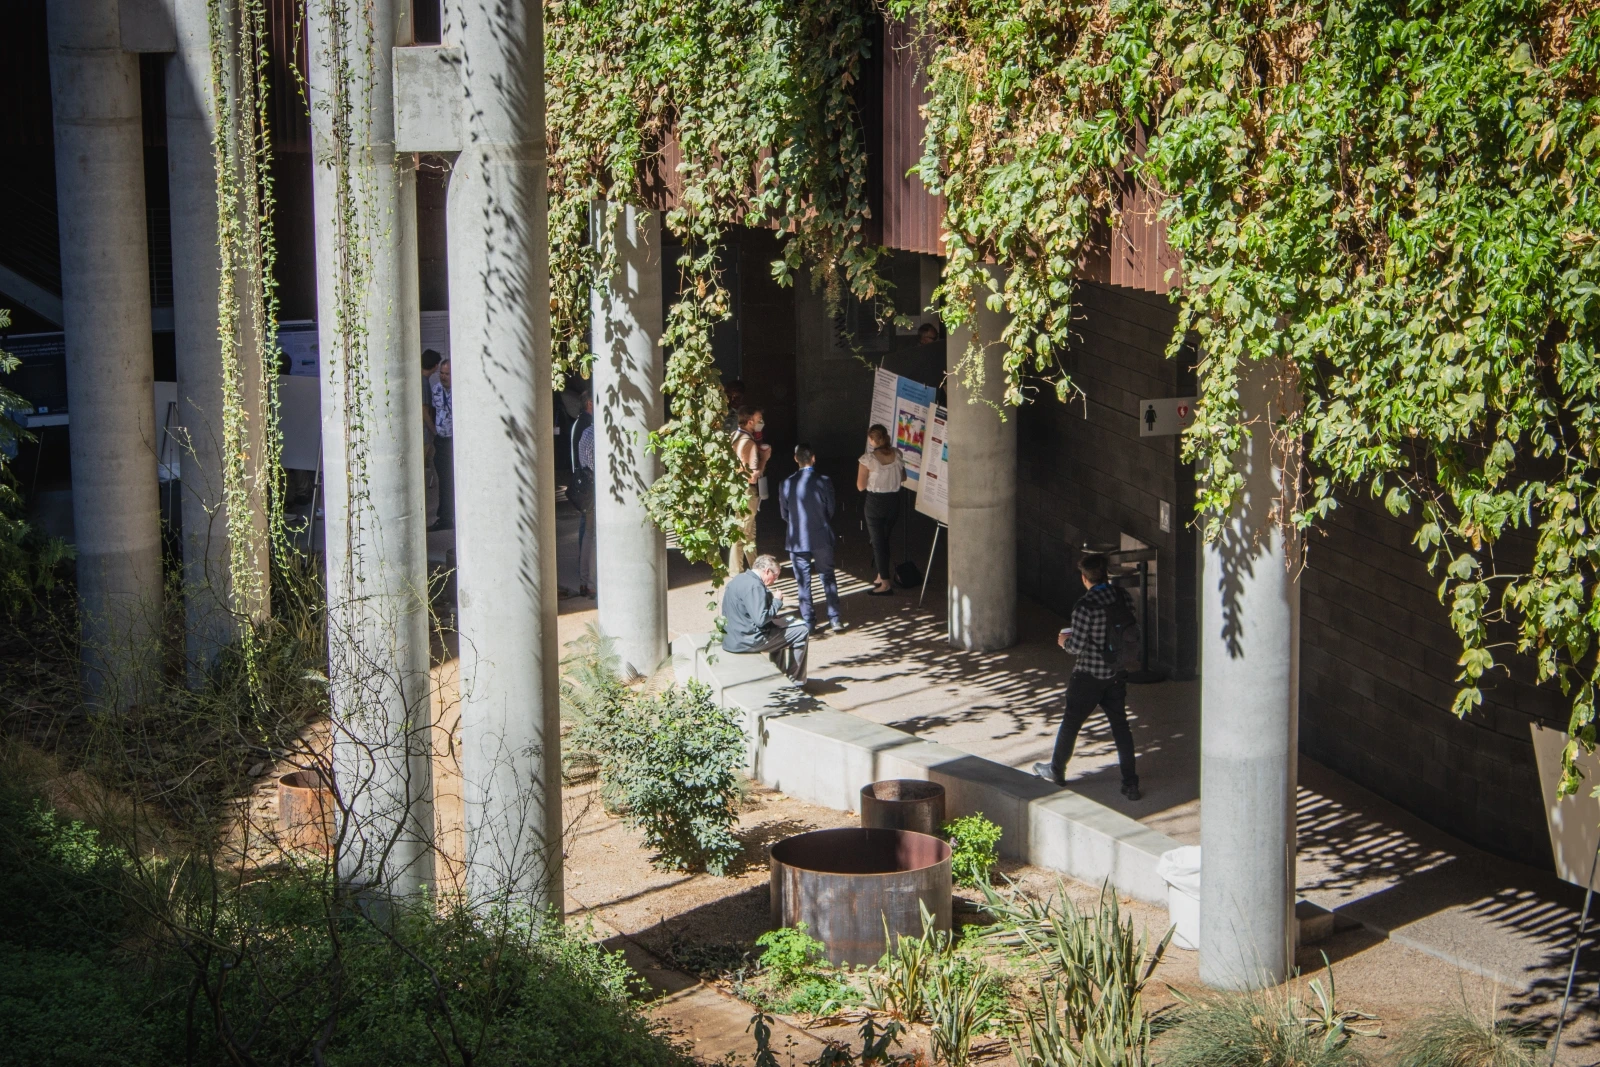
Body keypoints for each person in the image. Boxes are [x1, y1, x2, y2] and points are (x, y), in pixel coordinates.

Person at [1033, 553, 1142, 801]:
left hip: (1088, 676)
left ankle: (1057, 771)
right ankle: (1130, 783)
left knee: (1071, 722)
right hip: (1116, 674)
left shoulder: (1084, 606)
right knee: (1121, 728)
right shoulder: (1122, 596)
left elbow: (1077, 645)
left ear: (1084, 578)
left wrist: (1065, 641)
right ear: (1105, 575)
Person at [779, 444, 844, 634]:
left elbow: (784, 513)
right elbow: (830, 509)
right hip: (821, 535)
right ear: (813, 458)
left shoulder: (786, 483)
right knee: (828, 577)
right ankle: (835, 618)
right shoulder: (824, 481)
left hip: (797, 539)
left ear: (795, 459)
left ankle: (809, 621)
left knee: (803, 581)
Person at [721, 554, 809, 683]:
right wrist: (777, 602)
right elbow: (761, 620)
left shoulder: (739, 579)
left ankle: (779, 676)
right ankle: (796, 681)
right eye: (775, 576)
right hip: (746, 640)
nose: (775, 580)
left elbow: (749, 612)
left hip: (732, 638)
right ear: (767, 571)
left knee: (778, 632)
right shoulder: (755, 586)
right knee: (801, 632)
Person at [856, 424, 904, 595]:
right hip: (894, 501)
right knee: (885, 538)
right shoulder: (897, 454)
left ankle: (885, 583)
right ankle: (880, 574)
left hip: (875, 503)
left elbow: (861, 486)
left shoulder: (867, 459)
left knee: (877, 542)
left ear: (872, 439)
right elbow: (903, 476)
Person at [729, 405, 772, 574]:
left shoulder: (734, 436)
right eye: (758, 419)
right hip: (747, 491)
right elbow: (753, 476)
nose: (761, 422)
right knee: (744, 532)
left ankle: (755, 567)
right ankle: (736, 572)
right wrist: (764, 459)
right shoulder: (750, 443)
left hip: (736, 489)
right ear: (749, 422)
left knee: (746, 532)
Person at [571, 391, 596, 598]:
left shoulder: (586, 432)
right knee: (594, 536)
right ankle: (591, 583)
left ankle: (584, 580)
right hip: (596, 491)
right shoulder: (596, 434)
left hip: (586, 489)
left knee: (588, 535)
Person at [429, 357, 455, 531]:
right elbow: (433, 411)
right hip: (441, 439)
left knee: (454, 481)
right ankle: (445, 518)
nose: (444, 377)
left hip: (455, 441)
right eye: (442, 373)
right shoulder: (436, 389)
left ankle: (453, 515)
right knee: (444, 481)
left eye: (447, 374)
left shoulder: (459, 391)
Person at [421, 349, 442, 527]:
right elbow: (424, 412)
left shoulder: (421, 380)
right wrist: (434, 430)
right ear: (435, 366)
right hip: (424, 435)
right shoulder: (423, 383)